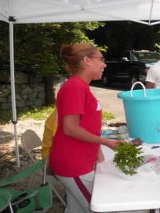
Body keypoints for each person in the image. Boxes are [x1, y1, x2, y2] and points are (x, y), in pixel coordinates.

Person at [49, 44, 123, 213]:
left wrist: (97, 151)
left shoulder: (80, 86)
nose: (104, 64)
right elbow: (70, 128)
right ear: (86, 61)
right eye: (101, 59)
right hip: (74, 164)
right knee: (100, 208)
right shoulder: (74, 87)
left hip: (81, 161)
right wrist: (105, 141)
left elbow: (87, 125)